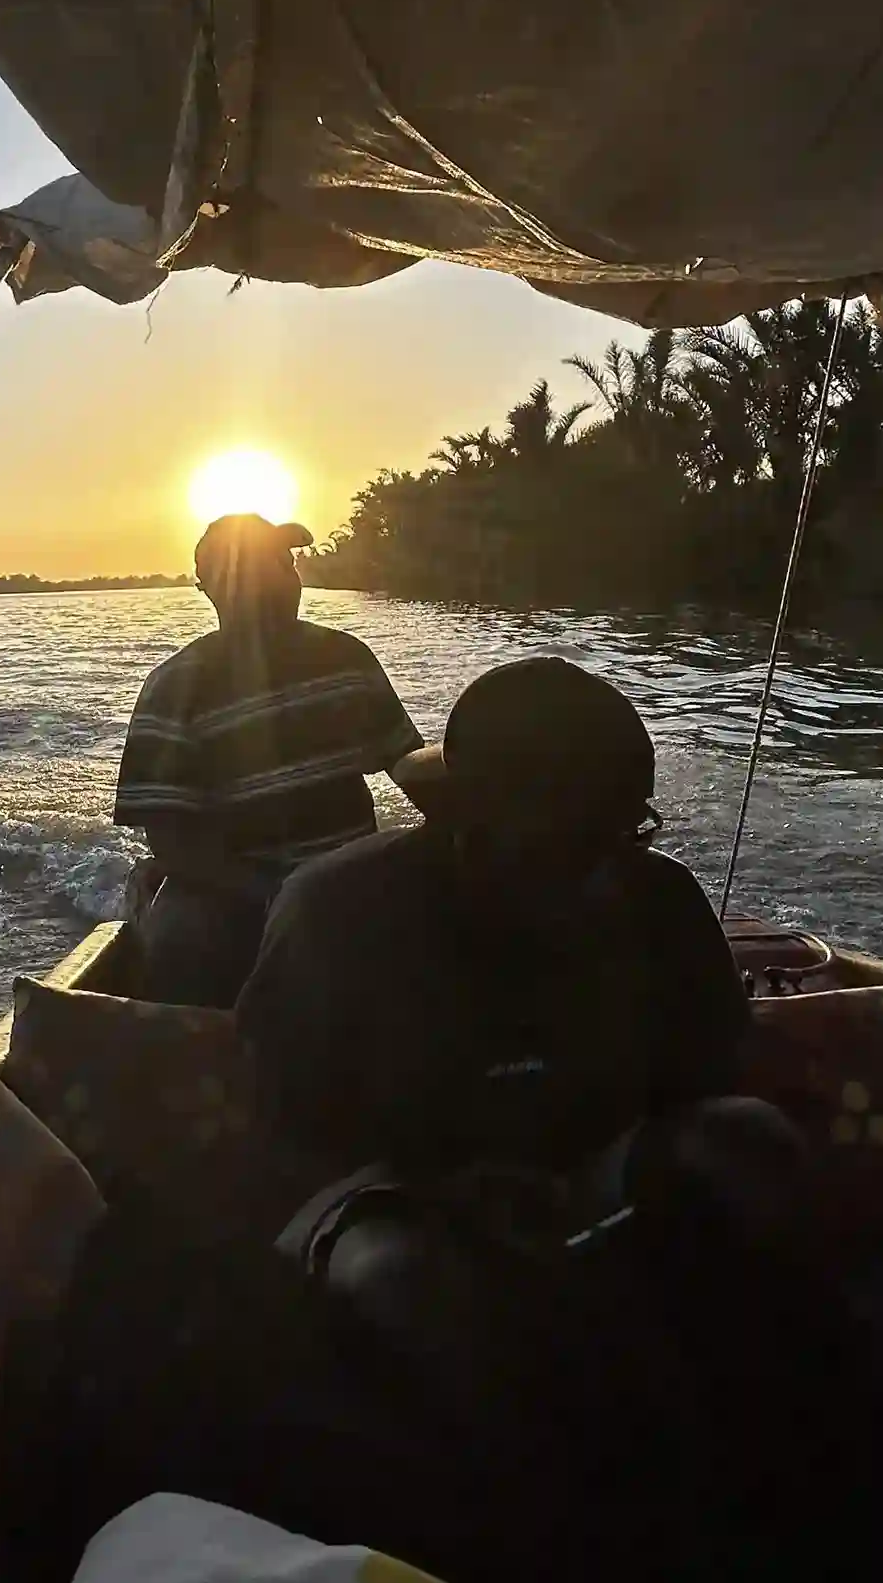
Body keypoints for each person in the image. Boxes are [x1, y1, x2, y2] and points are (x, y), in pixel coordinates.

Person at [236, 653, 752, 1207]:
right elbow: (283, 1129)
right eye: (576, 837)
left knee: (745, 1142)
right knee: (396, 1269)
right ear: (466, 816)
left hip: (602, 1172)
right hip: (392, 1193)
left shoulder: (663, 895)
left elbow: (715, 1077)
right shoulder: (331, 910)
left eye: (622, 828)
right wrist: (439, 1192)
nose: (604, 864)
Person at [113, 513, 429, 1004]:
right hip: (233, 898)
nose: (282, 579)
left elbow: (407, 762)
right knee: (182, 941)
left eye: (285, 564)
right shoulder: (175, 688)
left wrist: (462, 825)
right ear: (211, 588)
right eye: (259, 568)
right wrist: (281, 893)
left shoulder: (346, 658)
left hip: (347, 879)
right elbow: (170, 841)